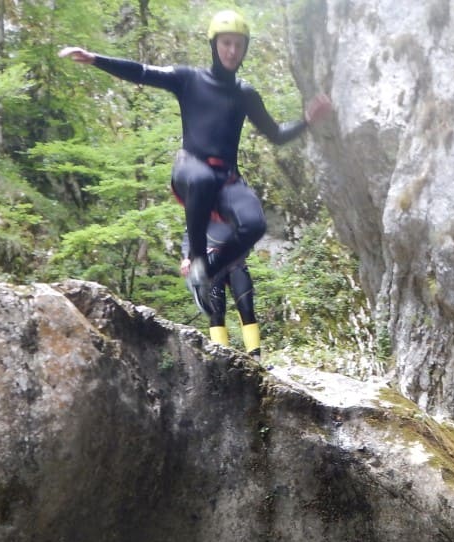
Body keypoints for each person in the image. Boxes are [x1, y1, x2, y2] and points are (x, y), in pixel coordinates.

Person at [59, 9, 332, 318]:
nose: (232, 51)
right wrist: (97, 59)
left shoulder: (245, 94)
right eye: (226, 43)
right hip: (190, 169)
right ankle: (199, 260)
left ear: (245, 49)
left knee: (255, 223)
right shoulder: (188, 78)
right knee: (201, 179)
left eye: (238, 45)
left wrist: (307, 121)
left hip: (226, 178)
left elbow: (277, 134)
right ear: (214, 45)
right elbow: (143, 72)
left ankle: (207, 273)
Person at [180, 218, 261, 357]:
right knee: (215, 312)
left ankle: (256, 357)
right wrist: (186, 258)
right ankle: (222, 356)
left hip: (236, 261)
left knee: (246, 307)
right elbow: (189, 235)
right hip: (211, 262)